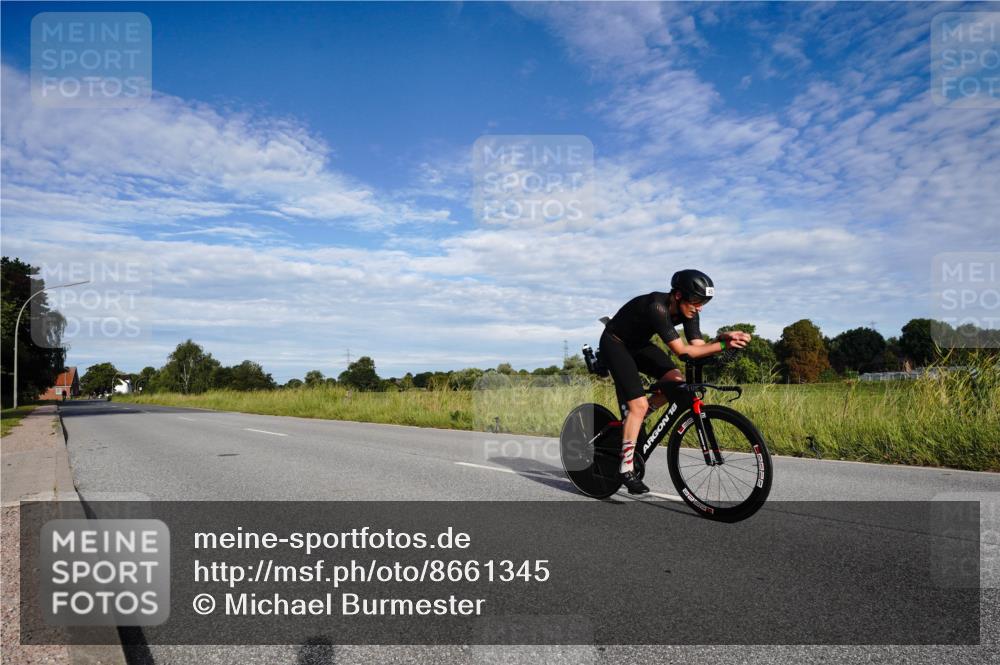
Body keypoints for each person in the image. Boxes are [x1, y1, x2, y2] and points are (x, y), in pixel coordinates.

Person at [600, 269, 751, 494]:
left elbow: (698, 347)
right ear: (678, 295)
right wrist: (722, 346)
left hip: (639, 345)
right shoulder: (657, 307)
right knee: (637, 405)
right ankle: (626, 468)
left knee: (676, 381)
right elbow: (683, 352)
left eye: (704, 302)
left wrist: (722, 337)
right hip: (615, 343)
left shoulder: (690, 312)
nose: (699, 307)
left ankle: (639, 417)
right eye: (697, 301)